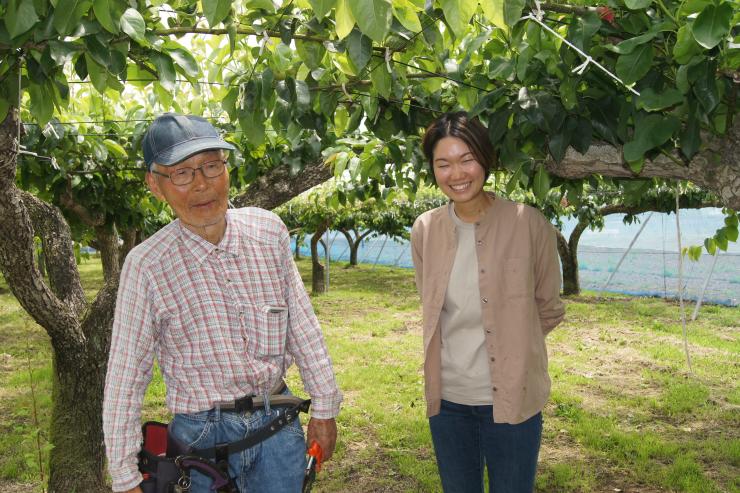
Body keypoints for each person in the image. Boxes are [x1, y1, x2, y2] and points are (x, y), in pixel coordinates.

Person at [103, 113, 342, 493]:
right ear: (155, 185)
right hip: (200, 442)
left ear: (227, 169)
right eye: (182, 173)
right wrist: (124, 475)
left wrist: (326, 408)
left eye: (211, 166)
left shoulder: (268, 232)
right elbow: (126, 376)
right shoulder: (147, 265)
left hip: (277, 426)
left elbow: (302, 326)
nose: (201, 184)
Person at [410, 112, 565, 493]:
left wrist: (513, 343)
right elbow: (433, 307)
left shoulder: (527, 223)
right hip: (448, 403)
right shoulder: (425, 230)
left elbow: (548, 307)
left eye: (466, 159)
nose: (456, 174)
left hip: (514, 402)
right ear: (433, 169)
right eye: (443, 164)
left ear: (486, 159)